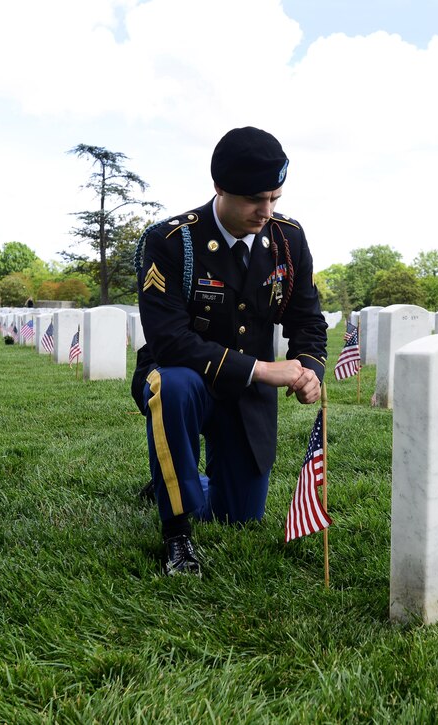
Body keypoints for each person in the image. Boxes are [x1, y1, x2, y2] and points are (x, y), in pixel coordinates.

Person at [132, 126, 327, 576]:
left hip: (246, 396)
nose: (266, 210)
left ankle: (177, 479)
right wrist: (263, 370)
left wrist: (309, 368)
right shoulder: (171, 240)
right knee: (172, 386)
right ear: (220, 188)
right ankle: (177, 535)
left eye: (275, 197)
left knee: (237, 515)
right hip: (186, 377)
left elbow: (308, 320)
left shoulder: (287, 240)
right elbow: (170, 341)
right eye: (255, 199)